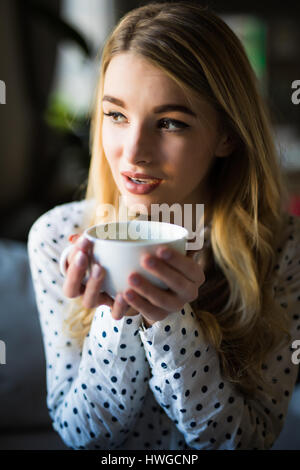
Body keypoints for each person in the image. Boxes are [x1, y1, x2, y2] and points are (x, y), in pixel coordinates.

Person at [27, 1, 300, 450]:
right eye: (116, 115)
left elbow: (247, 440)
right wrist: (114, 321)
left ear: (227, 135)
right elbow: (80, 436)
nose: (134, 152)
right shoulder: (58, 237)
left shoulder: (283, 248)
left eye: (170, 123)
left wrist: (170, 319)